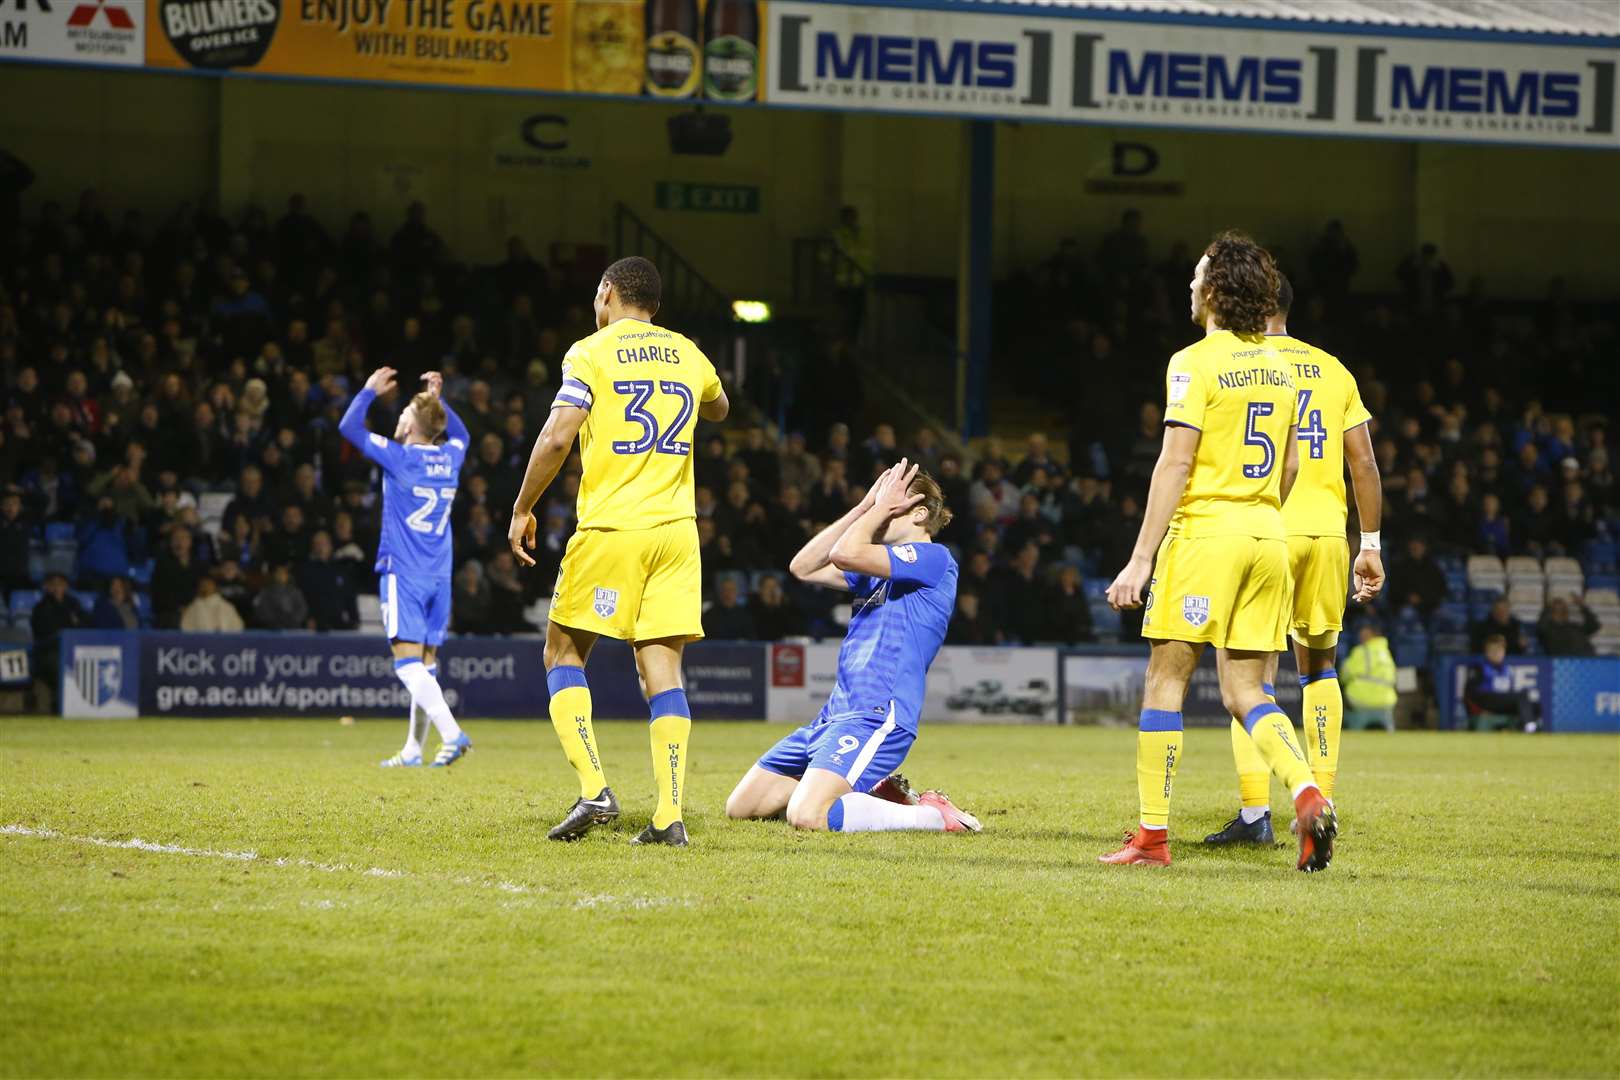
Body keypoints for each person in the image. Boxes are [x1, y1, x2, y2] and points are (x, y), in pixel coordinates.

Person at [1101, 231, 1334, 872]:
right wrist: (1258, 514)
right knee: (1247, 690)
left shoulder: (1193, 362)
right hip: (1268, 535)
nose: (1190, 284)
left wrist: (1140, 559)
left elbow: (1176, 462)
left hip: (1206, 534)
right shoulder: (1281, 369)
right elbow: (1289, 466)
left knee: (1165, 681)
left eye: (1197, 274)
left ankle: (1151, 839)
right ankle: (1307, 791)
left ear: (1214, 291)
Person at [508, 256, 729, 848]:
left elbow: (557, 436)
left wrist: (522, 507)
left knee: (561, 654)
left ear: (608, 293)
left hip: (614, 529)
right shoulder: (687, 350)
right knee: (662, 670)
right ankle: (669, 817)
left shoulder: (590, 351)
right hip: (679, 534)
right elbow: (719, 407)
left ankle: (594, 790)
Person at [1208, 274, 1384, 846]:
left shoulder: (1245, 364)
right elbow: (1363, 462)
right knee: (1320, 668)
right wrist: (1371, 544)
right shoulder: (1333, 369)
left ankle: (1257, 814)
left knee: (1252, 676)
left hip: (1267, 531)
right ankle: (1321, 796)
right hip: (1328, 536)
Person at [725, 461, 979, 834]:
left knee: (807, 815)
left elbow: (844, 553)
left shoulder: (934, 559)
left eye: (893, 503)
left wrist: (877, 509)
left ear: (919, 513)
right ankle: (876, 798)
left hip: (878, 715)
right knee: (743, 807)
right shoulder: (876, 571)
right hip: (833, 716)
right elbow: (803, 567)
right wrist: (864, 507)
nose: (882, 510)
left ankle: (932, 815)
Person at [340, 367, 472, 768]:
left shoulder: (399, 458)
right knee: (427, 667)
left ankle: (452, 735)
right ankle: (414, 749)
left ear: (413, 425)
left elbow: (349, 428)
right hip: (439, 576)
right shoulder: (450, 456)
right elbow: (462, 435)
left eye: (402, 415)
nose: (397, 419)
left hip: (405, 573)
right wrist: (438, 400)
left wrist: (366, 392)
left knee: (407, 664)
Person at [30, 573, 84, 710]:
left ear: (66, 586)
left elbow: (87, 624)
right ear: (46, 587)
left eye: (60, 583)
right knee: (61, 666)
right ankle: (63, 706)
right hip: (49, 653)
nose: (57, 587)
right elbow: (44, 633)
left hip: (75, 651)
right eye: (53, 584)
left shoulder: (75, 605)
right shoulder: (41, 608)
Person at [1464, 634, 1539, 731]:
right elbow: (1469, 693)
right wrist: (1477, 710)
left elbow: (1508, 691)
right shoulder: (1479, 668)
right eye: (1493, 651)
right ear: (1487, 652)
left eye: (1499, 651)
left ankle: (1525, 727)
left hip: (1502, 702)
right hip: (1487, 700)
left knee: (1536, 705)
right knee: (1521, 695)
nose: (1496, 654)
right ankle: (1529, 726)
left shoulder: (1506, 670)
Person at [1339, 622, 1398, 714]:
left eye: (1363, 633)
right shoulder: (1387, 652)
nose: (1360, 636)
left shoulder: (1360, 651)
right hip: (1387, 700)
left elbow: (1344, 676)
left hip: (1361, 698)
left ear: (1372, 634)